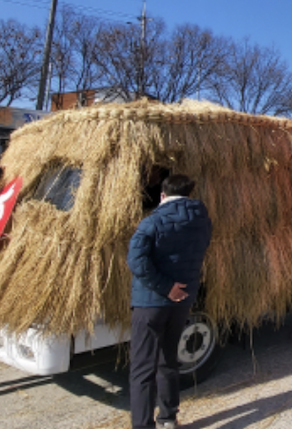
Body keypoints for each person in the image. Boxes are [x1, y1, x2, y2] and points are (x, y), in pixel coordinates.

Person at [127, 174, 213, 429]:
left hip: (150, 304)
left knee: (142, 369)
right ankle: (168, 418)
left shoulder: (151, 222)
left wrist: (165, 287)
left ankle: (143, 425)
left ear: (162, 195)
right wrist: (176, 289)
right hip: (181, 301)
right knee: (169, 360)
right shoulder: (202, 222)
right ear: (189, 193)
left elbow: (135, 261)